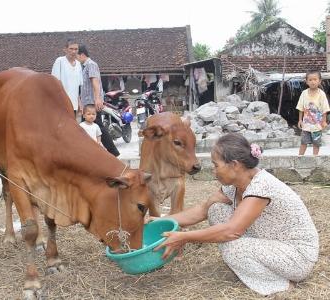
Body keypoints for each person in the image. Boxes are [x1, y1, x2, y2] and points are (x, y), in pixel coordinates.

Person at [154, 133, 319, 296]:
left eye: (216, 165)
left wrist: (184, 237)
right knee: (215, 208)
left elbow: (232, 231)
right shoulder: (234, 184)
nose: (213, 171)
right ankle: (250, 263)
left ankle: (280, 284)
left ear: (234, 165)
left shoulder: (261, 187)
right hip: (270, 241)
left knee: (233, 248)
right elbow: (202, 210)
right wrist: (160, 220)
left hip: (296, 256)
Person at [77, 45, 120, 157]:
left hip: (92, 101)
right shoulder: (84, 67)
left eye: (77, 56)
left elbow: (95, 82)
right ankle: (91, 152)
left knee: (98, 126)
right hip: (87, 102)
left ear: (81, 54)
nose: (76, 59)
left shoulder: (91, 65)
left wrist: (97, 99)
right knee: (86, 127)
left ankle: (113, 152)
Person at [296, 70, 330, 155]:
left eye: (315, 79)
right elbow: (301, 108)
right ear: (307, 81)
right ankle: (300, 158)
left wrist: (324, 121)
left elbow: (324, 108)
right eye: (310, 80)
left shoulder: (321, 94)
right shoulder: (304, 93)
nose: (313, 82)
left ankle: (315, 158)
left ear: (319, 81)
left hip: (317, 125)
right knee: (303, 142)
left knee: (316, 143)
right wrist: (300, 120)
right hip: (306, 125)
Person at [51, 38, 83, 117]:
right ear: (65, 49)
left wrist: (79, 103)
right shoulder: (60, 61)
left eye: (76, 49)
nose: (73, 51)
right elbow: (54, 83)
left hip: (74, 105)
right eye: (71, 49)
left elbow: (77, 87)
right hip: (61, 104)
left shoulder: (78, 64)